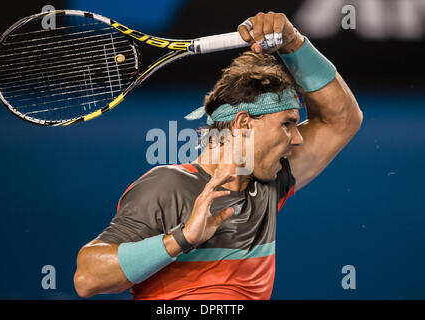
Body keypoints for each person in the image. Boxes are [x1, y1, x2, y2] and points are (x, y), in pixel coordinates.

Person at [73, 11, 363, 300]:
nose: (297, 137)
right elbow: (87, 278)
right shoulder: (166, 186)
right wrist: (182, 238)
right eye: (287, 124)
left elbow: (341, 120)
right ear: (243, 124)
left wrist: (293, 43)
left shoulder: (268, 185)